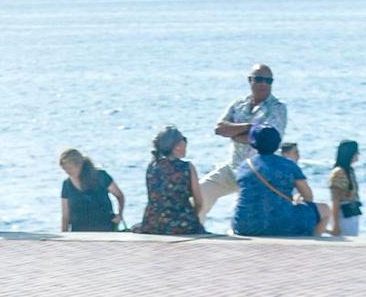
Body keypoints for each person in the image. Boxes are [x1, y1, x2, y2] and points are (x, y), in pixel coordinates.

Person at [199, 64, 288, 221]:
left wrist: (235, 133)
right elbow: (219, 129)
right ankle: (192, 227)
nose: (264, 84)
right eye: (259, 79)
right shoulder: (238, 104)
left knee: (245, 217)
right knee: (201, 192)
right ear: (250, 80)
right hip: (233, 167)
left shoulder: (277, 108)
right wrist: (250, 127)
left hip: (258, 172)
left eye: (268, 81)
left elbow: (267, 140)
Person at [230, 125, 325, 237]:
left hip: (245, 225)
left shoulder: (245, 166)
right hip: (283, 224)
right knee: (325, 210)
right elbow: (308, 196)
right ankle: (310, 242)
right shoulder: (289, 164)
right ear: (277, 142)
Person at [139, 125, 204, 235]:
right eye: (184, 140)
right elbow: (199, 202)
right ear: (177, 146)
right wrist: (192, 216)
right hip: (181, 223)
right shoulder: (186, 167)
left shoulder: (152, 166)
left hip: (152, 223)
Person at [59, 148, 123, 231]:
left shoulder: (101, 176)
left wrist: (120, 215)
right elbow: (65, 216)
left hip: (105, 229)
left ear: (79, 165)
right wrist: (64, 236)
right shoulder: (67, 184)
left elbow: (119, 196)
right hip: (79, 232)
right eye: (65, 169)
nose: (67, 172)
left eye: (69, 168)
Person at [328, 139, 363, 236]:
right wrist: (336, 225)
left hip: (351, 213)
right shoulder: (339, 172)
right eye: (356, 152)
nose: (358, 154)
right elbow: (335, 200)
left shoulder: (350, 171)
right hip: (343, 215)